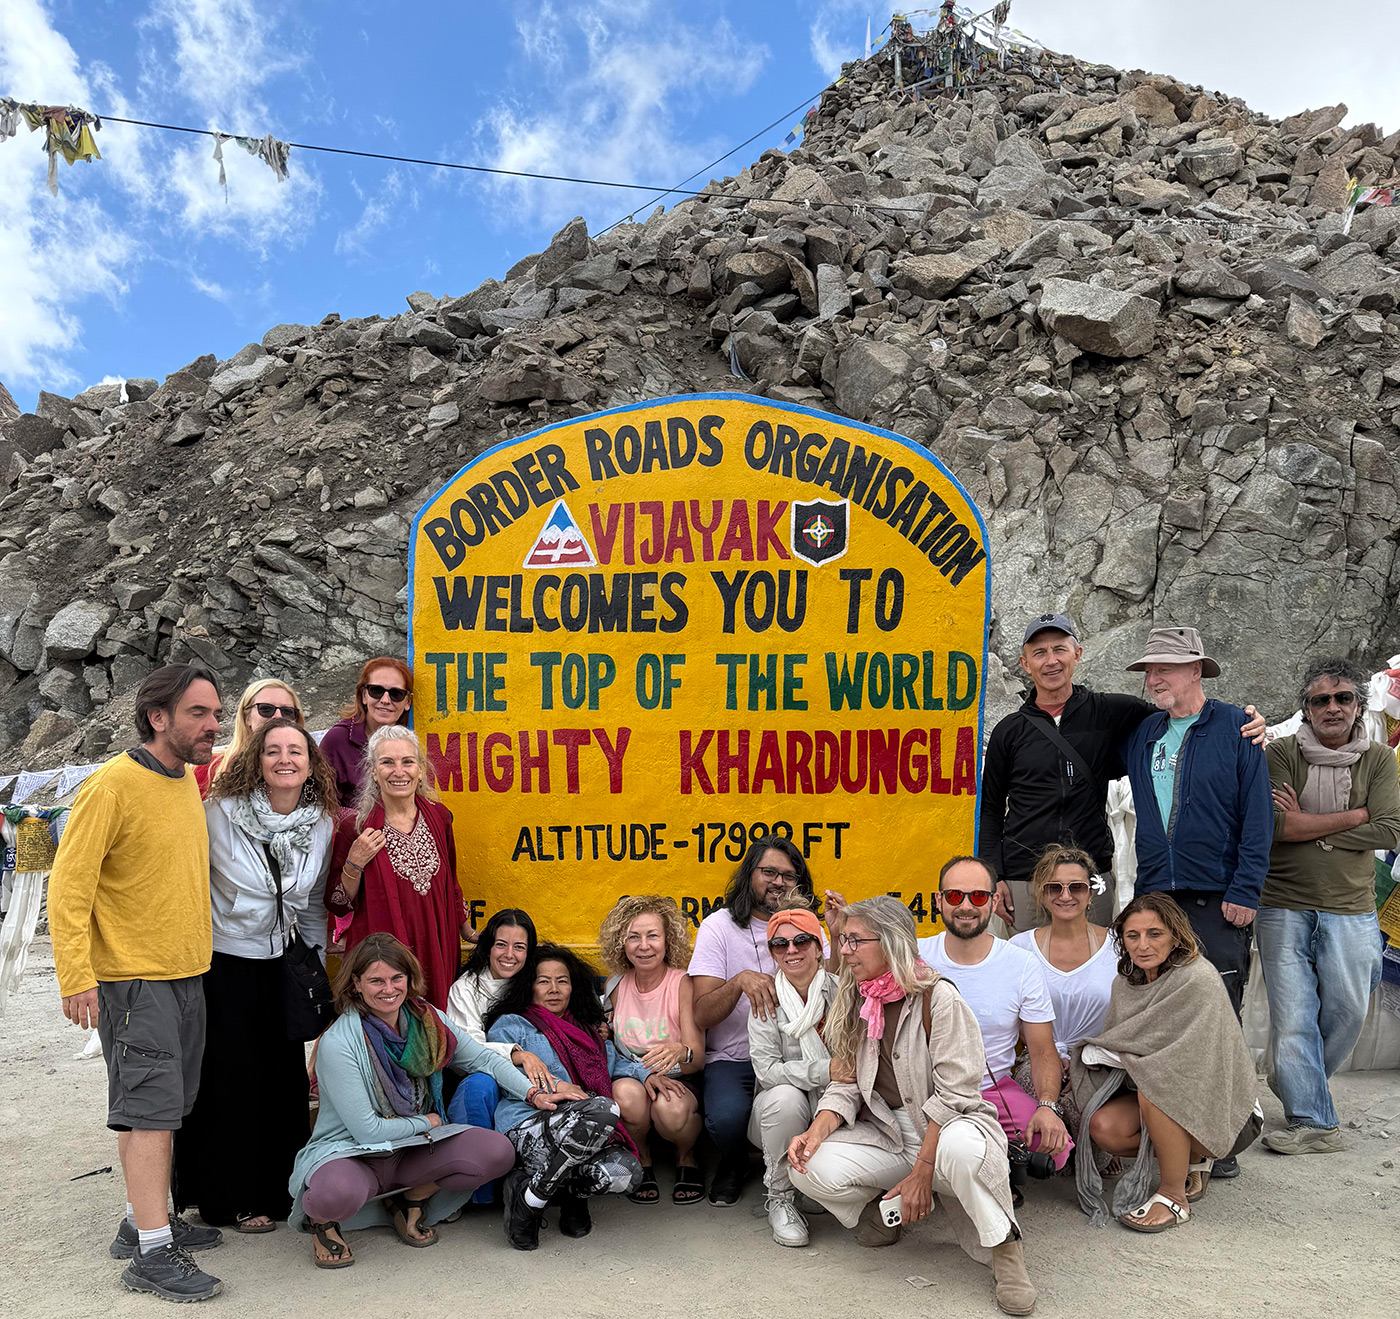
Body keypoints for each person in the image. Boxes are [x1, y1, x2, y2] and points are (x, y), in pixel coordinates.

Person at [47, 664, 227, 1302]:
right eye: (200, 713)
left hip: (185, 975)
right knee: (150, 1113)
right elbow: (68, 886)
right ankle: (153, 1254)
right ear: (158, 717)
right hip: (135, 979)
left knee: (161, 1108)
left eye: (216, 712)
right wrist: (76, 977)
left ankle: (140, 1221)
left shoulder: (181, 784)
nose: (214, 725)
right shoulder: (111, 785)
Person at [785, 897, 1035, 1316]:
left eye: (854, 940)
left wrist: (923, 1171)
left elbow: (956, 1096)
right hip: (890, 1133)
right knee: (806, 1166)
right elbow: (846, 1084)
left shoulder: (938, 998)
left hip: (949, 1128)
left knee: (960, 1149)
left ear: (889, 943)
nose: (844, 950)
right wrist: (815, 1131)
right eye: (843, 940)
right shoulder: (858, 998)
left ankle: (1005, 1250)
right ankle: (893, 1205)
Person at [980, 613, 1265, 933]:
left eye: (1059, 649)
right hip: (1024, 877)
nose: (1051, 661)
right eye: (1039, 653)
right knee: (1025, 962)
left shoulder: (1114, 711)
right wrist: (994, 875)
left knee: (1093, 959)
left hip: (1091, 874)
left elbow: (1183, 715)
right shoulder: (1009, 732)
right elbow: (990, 809)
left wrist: (1246, 722)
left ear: (1077, 654)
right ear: (1024, 663)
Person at [290, 934, 552, 1269]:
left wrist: (533, 1093)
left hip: (413, 1148)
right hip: (355, 1153)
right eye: (376, 980)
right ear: (356, 984)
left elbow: (482, 1059)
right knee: (334, 1193)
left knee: (497, 1151)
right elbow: (367, 1131)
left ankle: (409, 1198)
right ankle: (322, 1222)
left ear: (409, 977)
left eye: (396, 978)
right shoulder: (339, 1042)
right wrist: (426, 1121)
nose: (389, 989)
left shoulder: (428, 1020)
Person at [172, 718, 338, 1233]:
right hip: (225, 964)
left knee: (281, 1079)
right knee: (229, 1079)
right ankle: (227, 1197)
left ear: (311, 764)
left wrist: (314, 967)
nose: (285, 759)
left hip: (282, 964)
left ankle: (277, 1190)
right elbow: (190, 884)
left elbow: (313, 902)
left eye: (296, 751)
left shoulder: (321, 824)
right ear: (256, 760)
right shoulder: (219, 815)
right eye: (273, 751)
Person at [1258, 657, 1400, 1154]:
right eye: (1321, 700)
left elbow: (1389, 829)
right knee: (1294, 1014)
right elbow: (1278, 826)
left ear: (1359, 705)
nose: (1333, 707)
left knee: (1348, 1010)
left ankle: (1295, 1078)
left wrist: (1312, 825)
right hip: (1283, 903)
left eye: (1343, 698)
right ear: (1307, 708)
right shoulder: (1280, 754)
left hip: (1351, 907)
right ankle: (1313, 1121)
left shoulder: (1378, 759)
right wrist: (1355, 816)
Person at [1070, 894, 1260, 1232]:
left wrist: (1107, 1053)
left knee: (1158, 1080)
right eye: (1132, 935)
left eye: (1154, 934)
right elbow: (1126, 1047)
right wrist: (1105, 1055)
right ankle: (1191, 1159)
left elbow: (1182, 1063)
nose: (1143, 945)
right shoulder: (1125, 983)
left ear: (1175, 936)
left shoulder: (1198, 978)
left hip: (1227, 1111)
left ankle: (1173, 1197)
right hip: (1161, 1096)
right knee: (1105, 1128)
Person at [1120, 625, 1272, 1034]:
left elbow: (1258, 816)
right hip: (1155, 894)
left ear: (1196, 670)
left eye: (1165, 669)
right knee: (1158, 1011)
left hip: (1218, 898)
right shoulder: (1144, 733)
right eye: (1149, 671)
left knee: (1217, 1012)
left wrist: (1246, 889)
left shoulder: (1237, 727)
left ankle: (1225, 1080)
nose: (1154, 680)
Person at [918, 857, 1072, 1189]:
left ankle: (973, 1161)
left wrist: (1047, 1106)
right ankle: (980, 1166)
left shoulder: (1021, 964)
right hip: (924, 1091)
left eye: (978, 896)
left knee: (1054, 1149)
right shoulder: (914, 956)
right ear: (939, 900)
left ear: (994, 900)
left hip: (989, 1091)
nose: (966, 906)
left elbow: (1042, 1050)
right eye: (955, 896)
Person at [689, 835, 824, 1205]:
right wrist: (738, 983)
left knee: (803, 1102)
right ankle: (734, 1162)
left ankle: (804, 1172)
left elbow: (832, 988)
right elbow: (701, 1014)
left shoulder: (808, 926)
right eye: (769, 872)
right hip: (734, 1057)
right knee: (726, 1118)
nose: (778, 882)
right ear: (750, 874)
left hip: (795, 1054)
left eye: (789, 876)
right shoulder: (718, 926)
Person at [486, 943, 647, 1250]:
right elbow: (502, 1072)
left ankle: (564, 1193)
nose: (554, 989)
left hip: (585, 1125)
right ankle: (532, 1203)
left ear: (573, 987)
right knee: (603, 1110)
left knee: (627, 1173)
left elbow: (618, 1066)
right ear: (529, 986)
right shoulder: (512, 1024)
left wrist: (650, 1075)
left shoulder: (589, 1031)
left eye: (562, 981)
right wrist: (555, 1087)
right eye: (543, 981)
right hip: (529, 1127)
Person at [327, 725, 473, 1009]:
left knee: (434, 1021)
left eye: (407, 761)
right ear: (373, 771)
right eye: (387, 762)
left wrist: (466, 930)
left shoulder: (439, 817)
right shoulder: (355, 827)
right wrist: (354, 863)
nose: (399, 771)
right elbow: (337, 903)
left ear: (420, 769)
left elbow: (451, 881)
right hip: (382, 953)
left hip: (435, 941)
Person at [598, 895, 706, 1205]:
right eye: (634, 937)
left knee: (670, 1110)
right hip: (631, 1076)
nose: (644, 946)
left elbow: (697, 1060)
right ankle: (641, 1157)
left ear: (667, 940)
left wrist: (681, 1051)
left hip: (677, 1077)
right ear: (622, 943)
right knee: (625, 1098)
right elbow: (611, 1051)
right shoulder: (614, 985)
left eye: (652, 936)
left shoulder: (682, 983)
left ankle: (686, 1155)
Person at [1007, 846, 1118, 1139]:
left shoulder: (1118, 947)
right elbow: (1010, 1013)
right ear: (1043, 895)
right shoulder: (1019, 948)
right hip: (1036, 1055)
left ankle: (1090, 1152)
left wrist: (1083, 1061)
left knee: (1085, 1105)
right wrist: (1050, 1055)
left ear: (1091, 893)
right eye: (1054, 887)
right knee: (1037, 1096)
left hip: (1099, 1060)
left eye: (1076, 887)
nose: (1065, 896)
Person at [444, 909, 554, 1202]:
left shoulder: (535, 980)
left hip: (539, 1072)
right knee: (480, 1086)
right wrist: (516, 1054)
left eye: (519, 947)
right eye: (501, 944)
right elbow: (465, 1051)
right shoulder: (466, 989)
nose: (509, 955)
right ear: (488, 946)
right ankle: (477, 1193)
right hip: (485, 1076)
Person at [747, 903, 838, 1247]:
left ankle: (812, 1185)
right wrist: (826, 1070)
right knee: (785, 1096)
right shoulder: (765, 997)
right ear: (772, 952)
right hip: (778, 1117)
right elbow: (767, 1071)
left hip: (834, 1105)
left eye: (801, 940)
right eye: (780, 944)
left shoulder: (844, 992)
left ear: (818, 947)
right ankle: (781, 1197)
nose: (791, 950)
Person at [319, 657, 414, 807]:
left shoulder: (413, 742)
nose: (385, 700)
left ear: (407, 701)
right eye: (376, 691)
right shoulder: (337, 740)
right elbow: (323, 805)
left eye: (396, 694)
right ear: (364, 695)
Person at [193, 677, 306, 797]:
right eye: (266, 709)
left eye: (287, 712)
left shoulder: (312, 770)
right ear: (247, 717)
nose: (278, 716)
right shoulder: (209, 769)